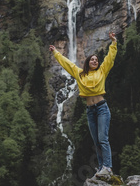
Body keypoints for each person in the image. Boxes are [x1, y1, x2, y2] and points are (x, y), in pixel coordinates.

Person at [49, 32, 117, 177]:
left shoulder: (102, 71)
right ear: (87, 62)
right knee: (96, 141)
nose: (95, 61)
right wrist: (55, 52)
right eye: (92, 59)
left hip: (102, 108)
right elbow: (67, 64)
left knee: (103, 138)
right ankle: (101, 167)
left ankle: (108, 167)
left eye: (96, 60)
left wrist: (113, 43)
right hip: (90, 111)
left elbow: (110, 59)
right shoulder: (80, 74)